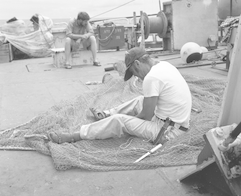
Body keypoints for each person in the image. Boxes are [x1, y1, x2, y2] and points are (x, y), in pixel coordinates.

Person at [48, 47, 192, 144]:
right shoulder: (165, 65)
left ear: (137, 63)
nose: (138, 78)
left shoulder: (151, 78)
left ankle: (77, 135)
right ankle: (105, 115)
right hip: (178, 125)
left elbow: (146, 116)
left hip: (168, 132)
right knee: (140, 100)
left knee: (119, 121)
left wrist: (129, 121)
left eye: (135, 73)